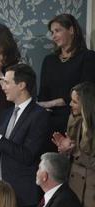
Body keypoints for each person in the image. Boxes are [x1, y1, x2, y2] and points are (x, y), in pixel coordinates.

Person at [0, 63, 50, 207]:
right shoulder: (6, 113)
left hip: (20, 194)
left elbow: (28, 155)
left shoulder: (39, 116)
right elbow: (1, 148)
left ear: (21, 85)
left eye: (7, 82)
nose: (3, 87)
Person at [52, 82, 95, 207]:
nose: (70, 105)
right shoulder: (73, 121)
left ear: (86, 104)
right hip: (73, 192)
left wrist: (75, 151)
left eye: (75, 102)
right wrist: (64, 151)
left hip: (90, 197)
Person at [38, 14, 95, 151]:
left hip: (76, 122)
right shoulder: (49, 60)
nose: (54, 36)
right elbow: (43, 95)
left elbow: (84, 93)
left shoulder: (88, 58)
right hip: (49, 124)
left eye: (58, 31)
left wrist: (52, 103)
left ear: (71, 30)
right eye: (52, 32)